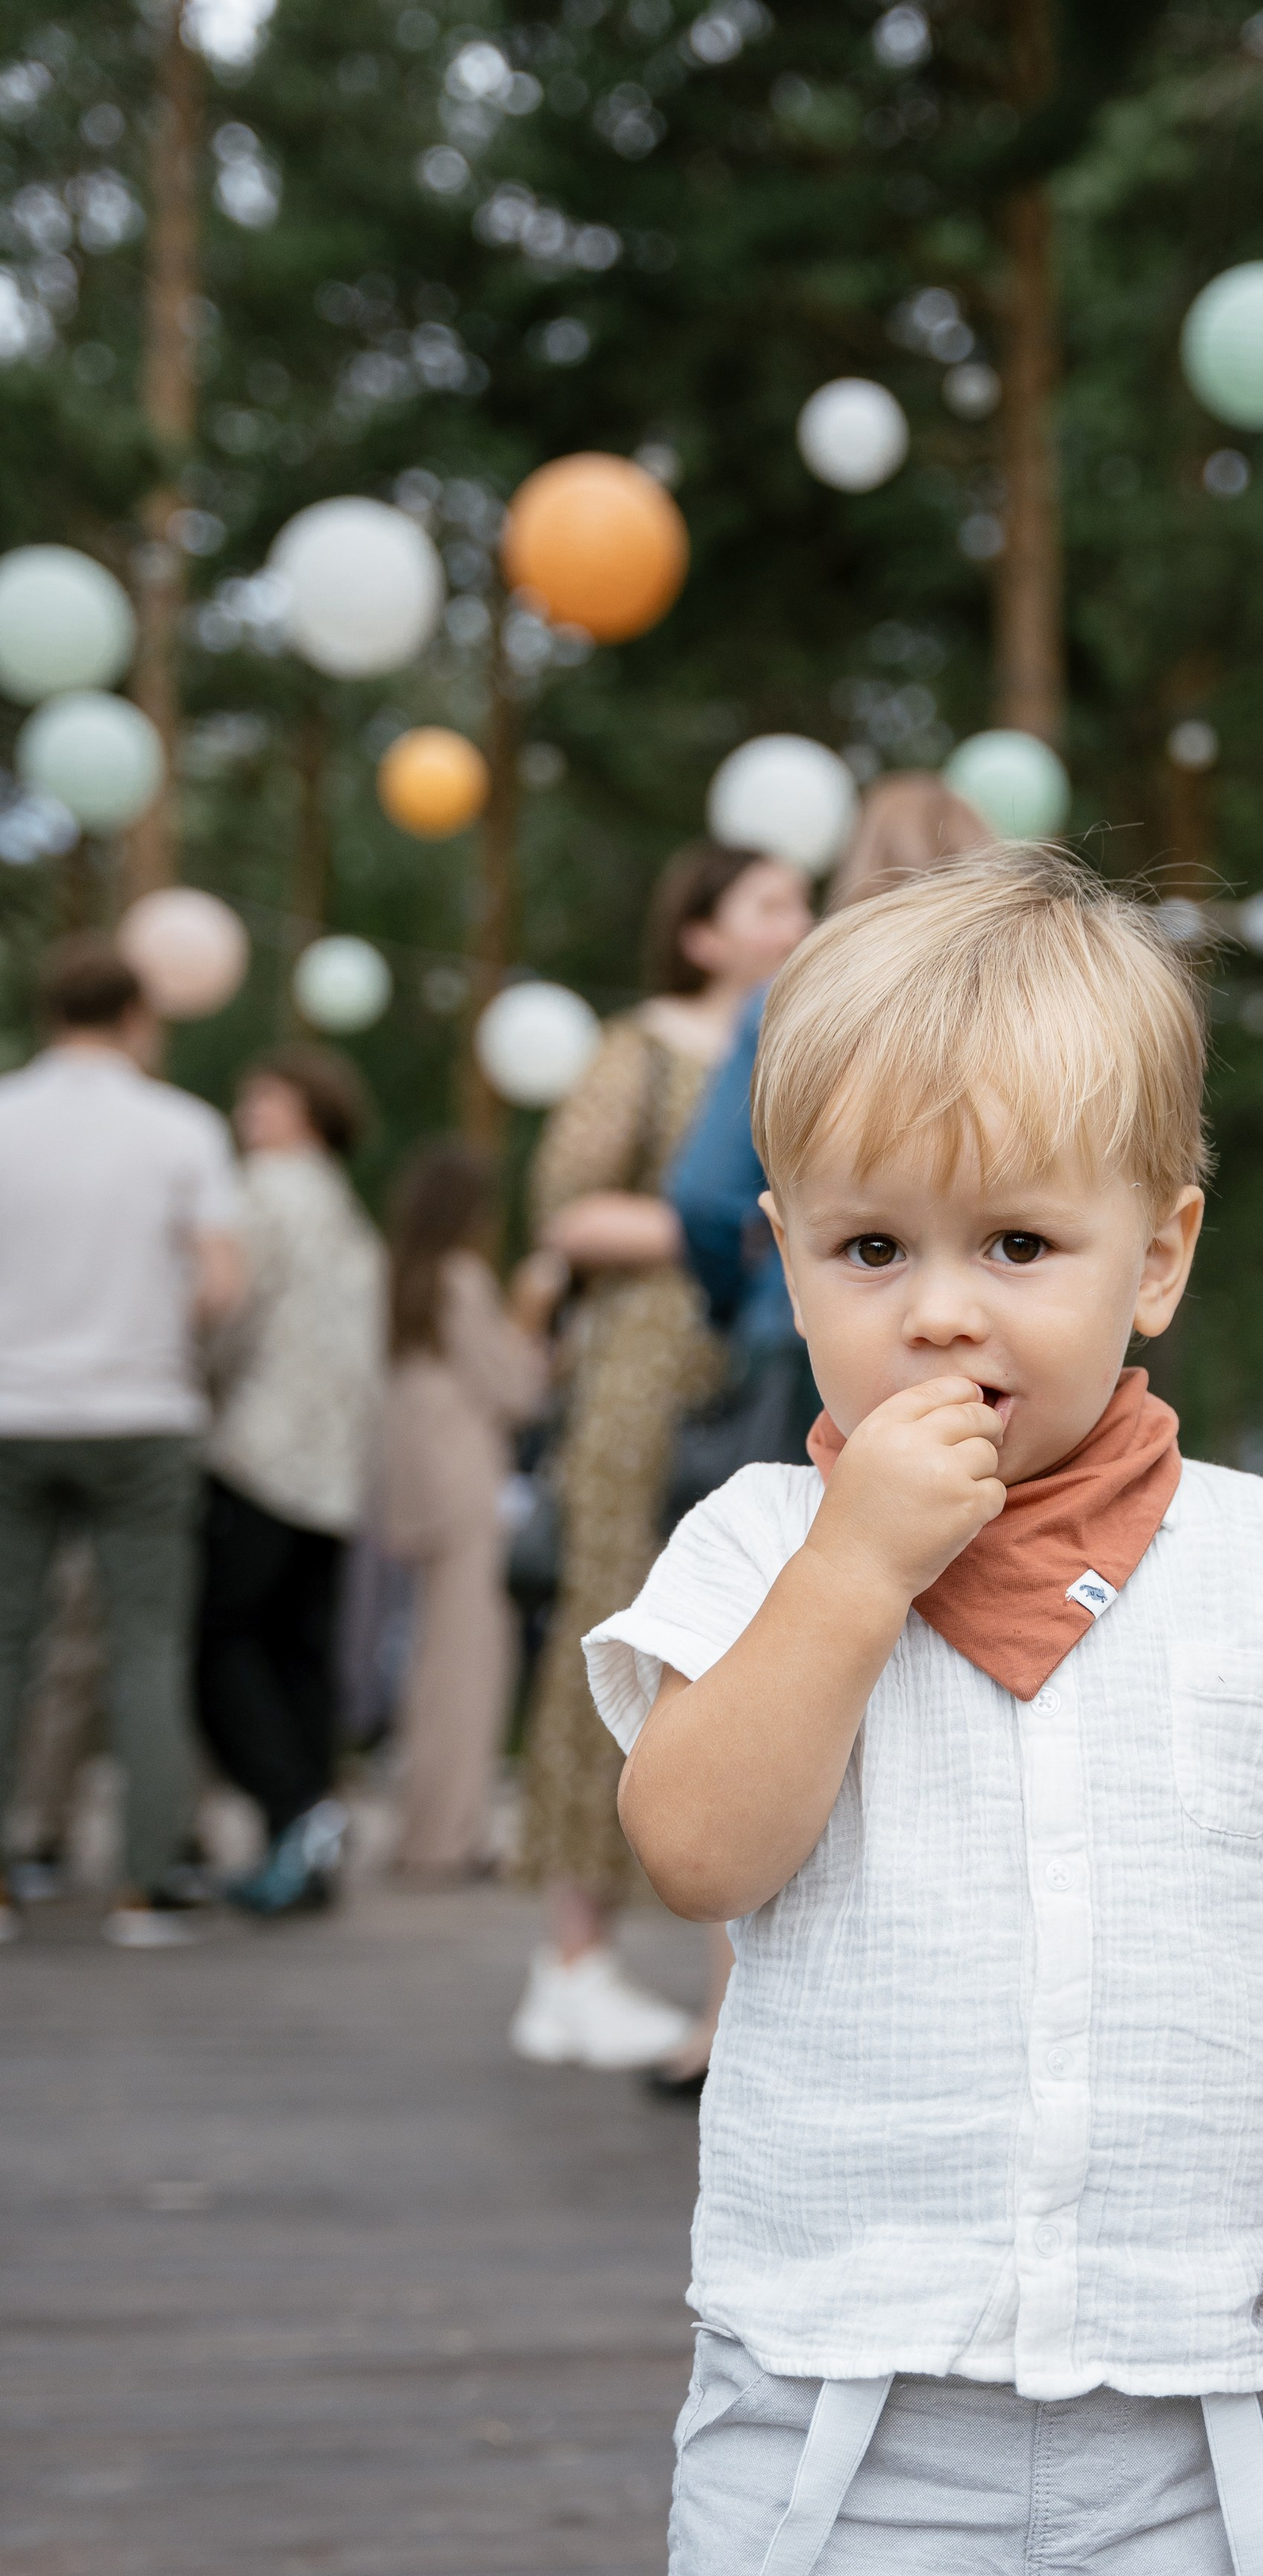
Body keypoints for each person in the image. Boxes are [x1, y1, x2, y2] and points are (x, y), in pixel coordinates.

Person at [569, 852, 1263, 2576]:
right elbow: (703, 1846)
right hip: (834, 2396)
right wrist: (853, 1574)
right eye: (872, 1245)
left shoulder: (1255, 1559)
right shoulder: (757, 1547)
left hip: (1172, 2405)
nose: (944, 1308)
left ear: (1157, 1256)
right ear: (780, 1253)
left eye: (1020, 1242)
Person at [509, 841, 812, 2072]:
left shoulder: (806, 1033)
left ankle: (720, 1983)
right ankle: (571, 1953)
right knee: (616, 1626)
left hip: (748, 1369)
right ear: (702, 934)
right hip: (646, 1367)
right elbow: (567, 1207)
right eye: (773, 904)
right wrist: (736, 1227)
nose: (799, 918)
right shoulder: (643, 1049)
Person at [0, 936, 244, 1947]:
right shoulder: (179, 1129)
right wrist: (159, 1330)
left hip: (12, 1412)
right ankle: (149, 1885)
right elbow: (224, 1280)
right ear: (138, 1017)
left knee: (8, 1645)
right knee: (146, 1644)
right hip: (141, 1413)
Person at [668, 769, 992, 1346]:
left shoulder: (788, 1001)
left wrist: (746, 1302)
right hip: (999, 1326)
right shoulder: (1035, 1010)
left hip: (815, 1335)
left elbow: (705, 1197)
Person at [197, 1044, 386, 1919]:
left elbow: (226, 1310)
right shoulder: (349, 1212)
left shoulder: (262, 1192)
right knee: (301, 1657)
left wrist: (195, 1385)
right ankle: (309, 1844)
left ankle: (289, 1814)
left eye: (262, 1097)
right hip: (335, 1471)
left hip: (259, 1453)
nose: (247, 1114)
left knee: (223, 1647)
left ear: (305, 1109)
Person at [378, 1140, 559, 1878]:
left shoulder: (406, 1279)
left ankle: (427, 1828)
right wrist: (532, 1314)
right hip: (465, 1490)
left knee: (431, 1665)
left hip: (416, 1486)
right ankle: (448, 1838)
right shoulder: (462, 1279)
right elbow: (516, 1390)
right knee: (469, 1666)